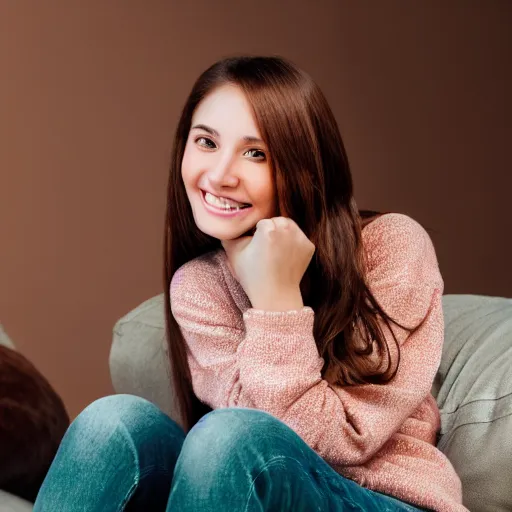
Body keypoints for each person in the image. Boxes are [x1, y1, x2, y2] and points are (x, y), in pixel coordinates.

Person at [34, 55, 467, 511]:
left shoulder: (390, 246)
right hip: (254, 486)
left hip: (386, 501)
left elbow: (333, 441)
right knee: (112, 422)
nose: (220, 175)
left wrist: (276, 301)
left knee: (230, 436)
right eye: (206, 142)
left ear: (304, 167)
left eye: (255, 153)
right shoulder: (199, 287)